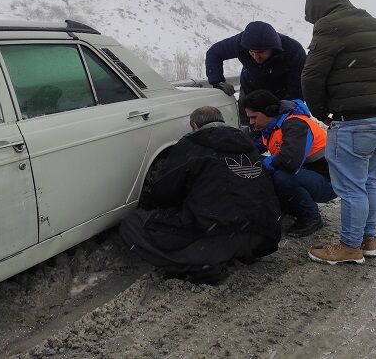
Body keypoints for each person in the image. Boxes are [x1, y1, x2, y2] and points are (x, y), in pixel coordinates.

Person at [119, 106, 282, 284]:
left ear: (195, 126)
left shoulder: (192, 144)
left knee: (132, 224)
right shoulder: (248, 143)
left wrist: (154, 207)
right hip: (262, 233)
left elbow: (164, 191)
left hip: (216, 233)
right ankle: (240, 252)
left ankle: (199, 266)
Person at [300, 0, 376, 265]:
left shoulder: (329, 26)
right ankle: (368, 240)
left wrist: (321, 113)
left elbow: (311, 77)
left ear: (316, 8)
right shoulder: (373, 22)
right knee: (368, 181)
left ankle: (349, 247)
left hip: (354, 119)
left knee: (351, 187)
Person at [240, 90, 336, 236]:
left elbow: (289, 161)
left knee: (281, 176)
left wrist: (259, 166)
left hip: (329, 181)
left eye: (254, 117)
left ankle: (312, 217)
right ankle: (293, 209)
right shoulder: (272, 126)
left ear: (270, 111)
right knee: (270, 171)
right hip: (309, 175)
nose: (251, 123)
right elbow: (252, 149)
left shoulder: (296, 125)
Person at [205, 21, 306, 100]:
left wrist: (286, 108)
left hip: (281, 91)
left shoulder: (293, 50)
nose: (256, 57)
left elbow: (296, 88)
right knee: (248, 124)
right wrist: (217, 81)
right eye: (252, 52)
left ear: (273, 48)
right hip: (250, 89)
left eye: (261, 52)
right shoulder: (240, 43)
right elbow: (214, 52)